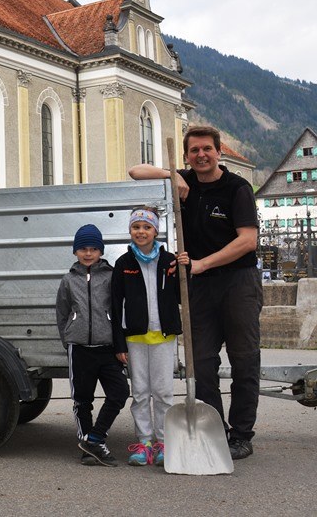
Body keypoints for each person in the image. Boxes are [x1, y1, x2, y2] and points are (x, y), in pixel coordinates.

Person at [129, 125, 262, 460]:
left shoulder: (237, 188)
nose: (201, 155)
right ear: (187, 155)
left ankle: (241, 435)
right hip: (199, 287)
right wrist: (171, 174)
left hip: (238, 282)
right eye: (194, 151)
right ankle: (216, 431)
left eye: (207, 149)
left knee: (244, 361)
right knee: (200, 364)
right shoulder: (184, 181)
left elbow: (248, 240)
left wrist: (203, 264)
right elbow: (134, 171)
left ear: (218, 152)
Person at [111, 207, 189, 467]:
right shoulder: (124, 264)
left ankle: (163, 443)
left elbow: (183, 296)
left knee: (164, 392)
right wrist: (119, 343)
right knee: (141, 393)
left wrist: (185, 270)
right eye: (136, 227)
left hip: (163, 338)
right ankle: (144, 442)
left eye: (146, 227)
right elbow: (115, 305)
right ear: (130, 231)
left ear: (156, 231)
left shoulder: (169, 261)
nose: (141, 231)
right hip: (135, 339)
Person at [56, 223, 130, 467]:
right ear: (75, 251)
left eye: (94, 249)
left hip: (107, 348)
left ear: (101, 251)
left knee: (119, 392)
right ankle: (87, 449)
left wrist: (119, 342)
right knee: (82, 400)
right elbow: (62, 312)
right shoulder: (68, 280)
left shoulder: (111, 276)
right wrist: (68, 339)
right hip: (79, 349)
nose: (88, 253)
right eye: (83, 249)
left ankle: (95, 438)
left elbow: (119, 310)